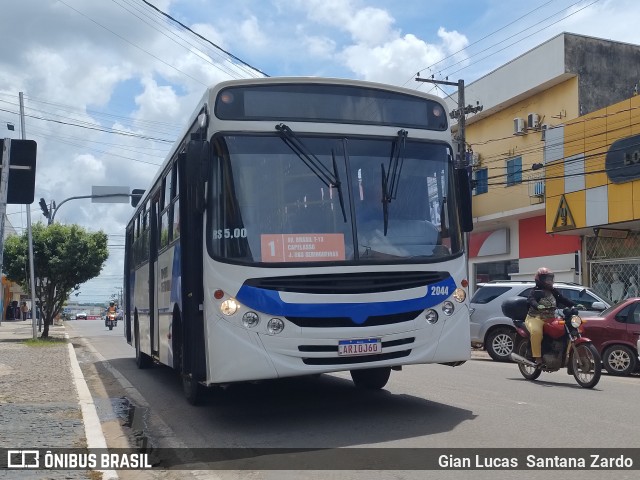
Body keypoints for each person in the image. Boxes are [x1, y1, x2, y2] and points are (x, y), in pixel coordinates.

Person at [525, 267, 580, 366]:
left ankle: (563, 354)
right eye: (547, 278)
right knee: (536, 332)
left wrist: (574, 304)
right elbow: (531, 299)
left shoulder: (553, 291)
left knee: (565, 329)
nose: (549, 281)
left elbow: (563, 299)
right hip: (535, 318)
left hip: (551, 318)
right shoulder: (535, 290)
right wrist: (537, 305)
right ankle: (537, 358)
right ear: (540, 279)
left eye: (550, 278)